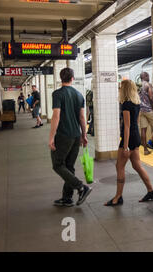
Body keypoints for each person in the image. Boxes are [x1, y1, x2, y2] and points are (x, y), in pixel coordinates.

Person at [105, 80, 153, 206]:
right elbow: (136, 123)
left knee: (119, 167)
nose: (119, 89)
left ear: (124, 89)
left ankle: (118, 197)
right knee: (137, 166)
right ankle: (151, 191)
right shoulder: (137, 103)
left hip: (129, 139)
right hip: (136, 136)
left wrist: (126, 145)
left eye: (120, 88)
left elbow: (126, 126)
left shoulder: (126, 104)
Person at [48, 68, 92, 207]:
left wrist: (51, 137)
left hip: (63, 135)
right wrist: (84, 135)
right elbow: (82, 117)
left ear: (61, 78)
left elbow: (56, 116)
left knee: (57, 165)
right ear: (72, 78)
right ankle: (67, 198)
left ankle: (81, 187)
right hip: (76, 135)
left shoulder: (57, 94)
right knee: (69, 166)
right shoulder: (79, 95)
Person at [138, 72, 153, 155]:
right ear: (145, 76)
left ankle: (145, 149)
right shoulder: (148, 85)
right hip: (148, 110)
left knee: (143, 130)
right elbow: (151, 97)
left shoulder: (138, 86)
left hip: (141, 110)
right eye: (148, 75)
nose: (149, 77)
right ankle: (152, 142)